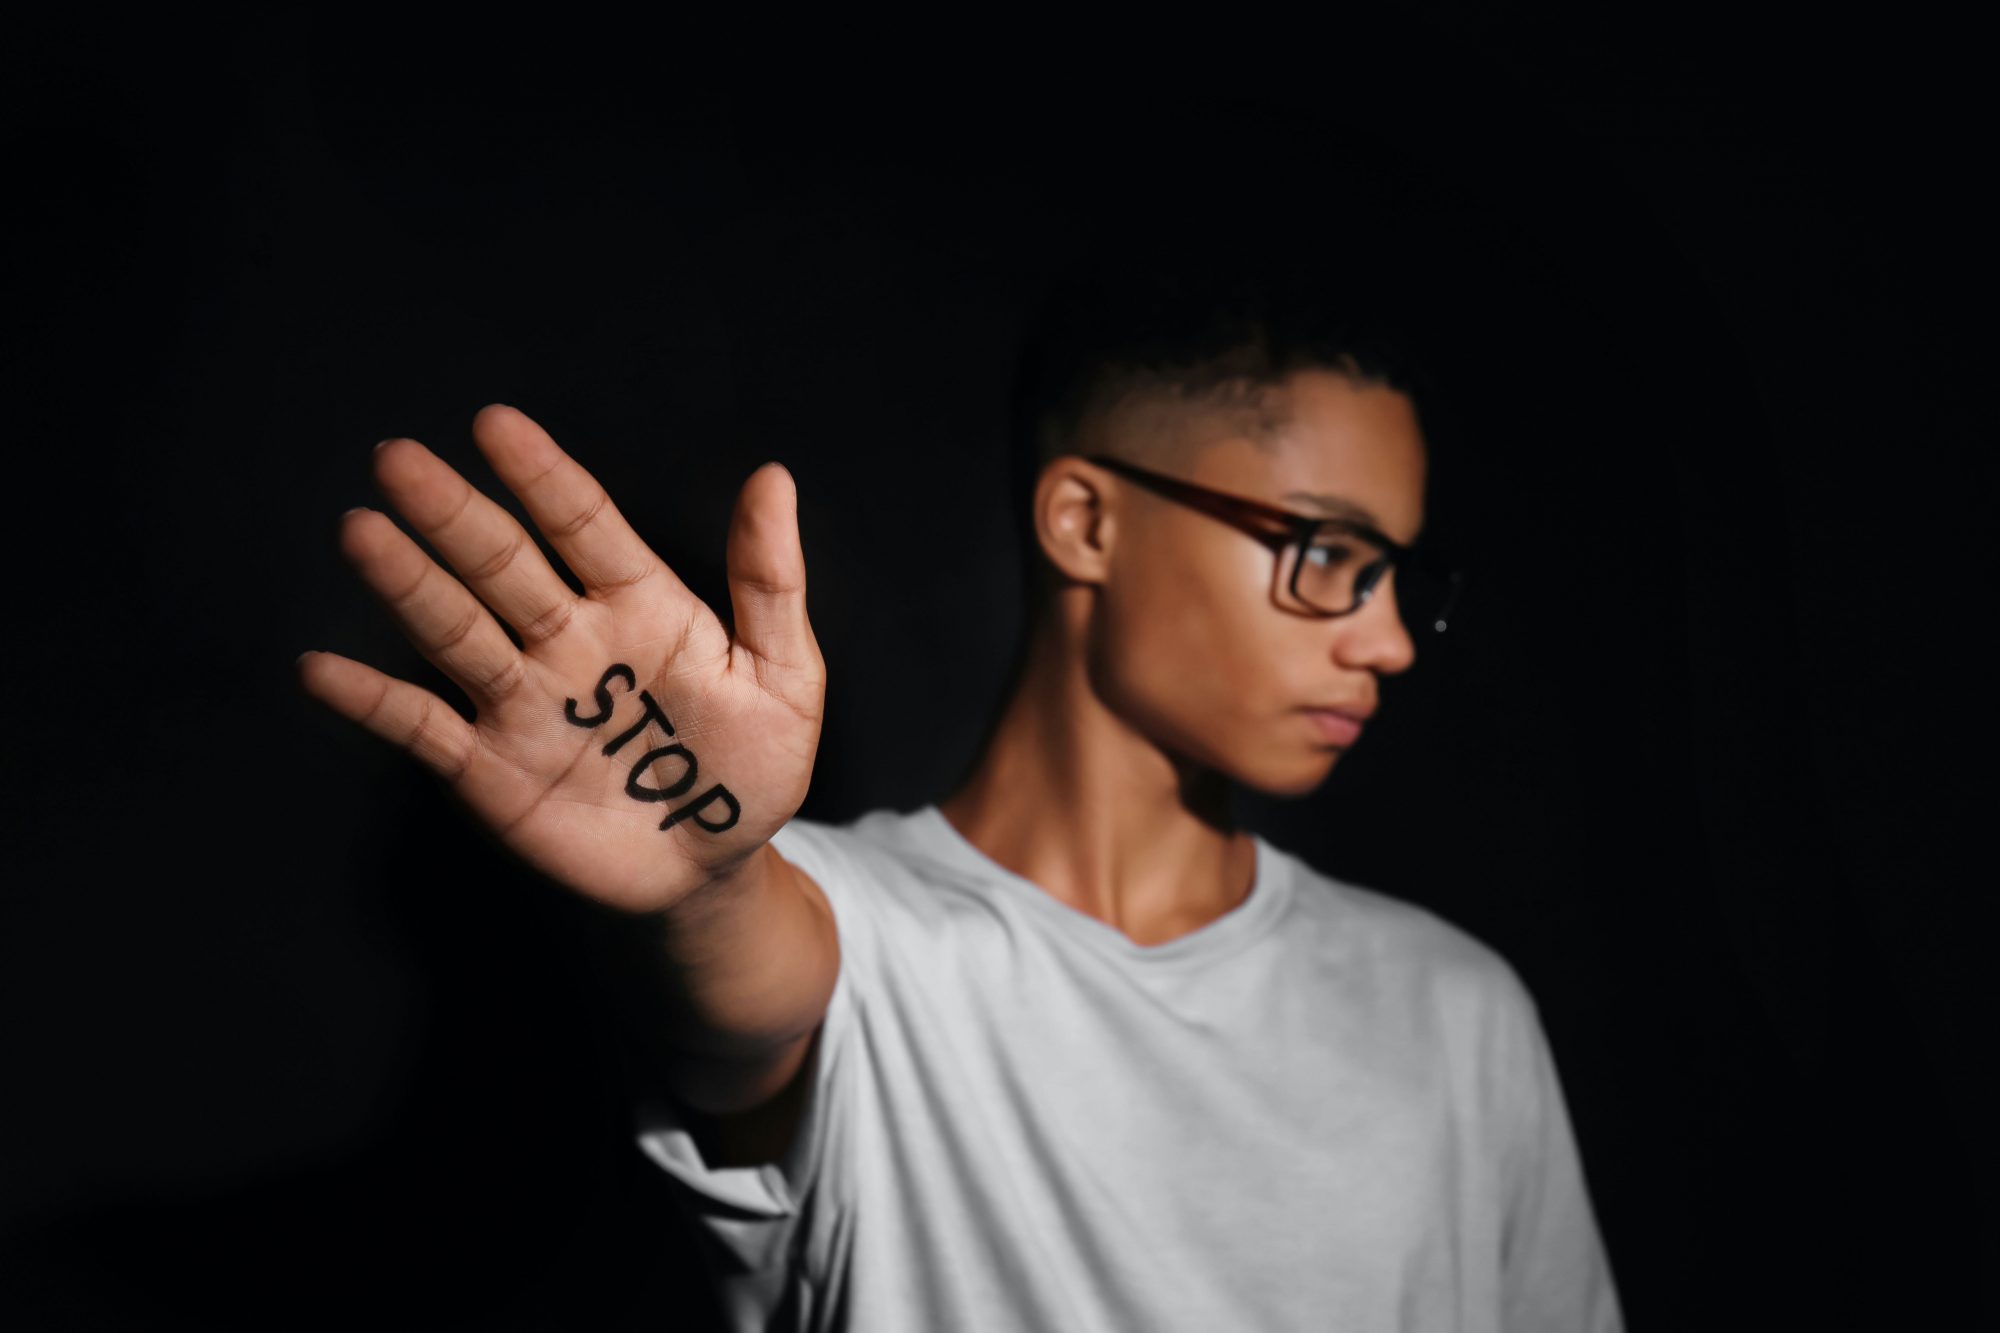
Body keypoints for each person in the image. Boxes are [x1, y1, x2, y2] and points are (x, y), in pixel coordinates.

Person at [297, 237, 1623, 1332]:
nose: (1386, 639)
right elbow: (758, 978)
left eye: (1400, 576)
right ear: (1085, 521)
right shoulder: (866, 941)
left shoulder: (1458, 1010)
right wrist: (702, 879)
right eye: (1328, 551)